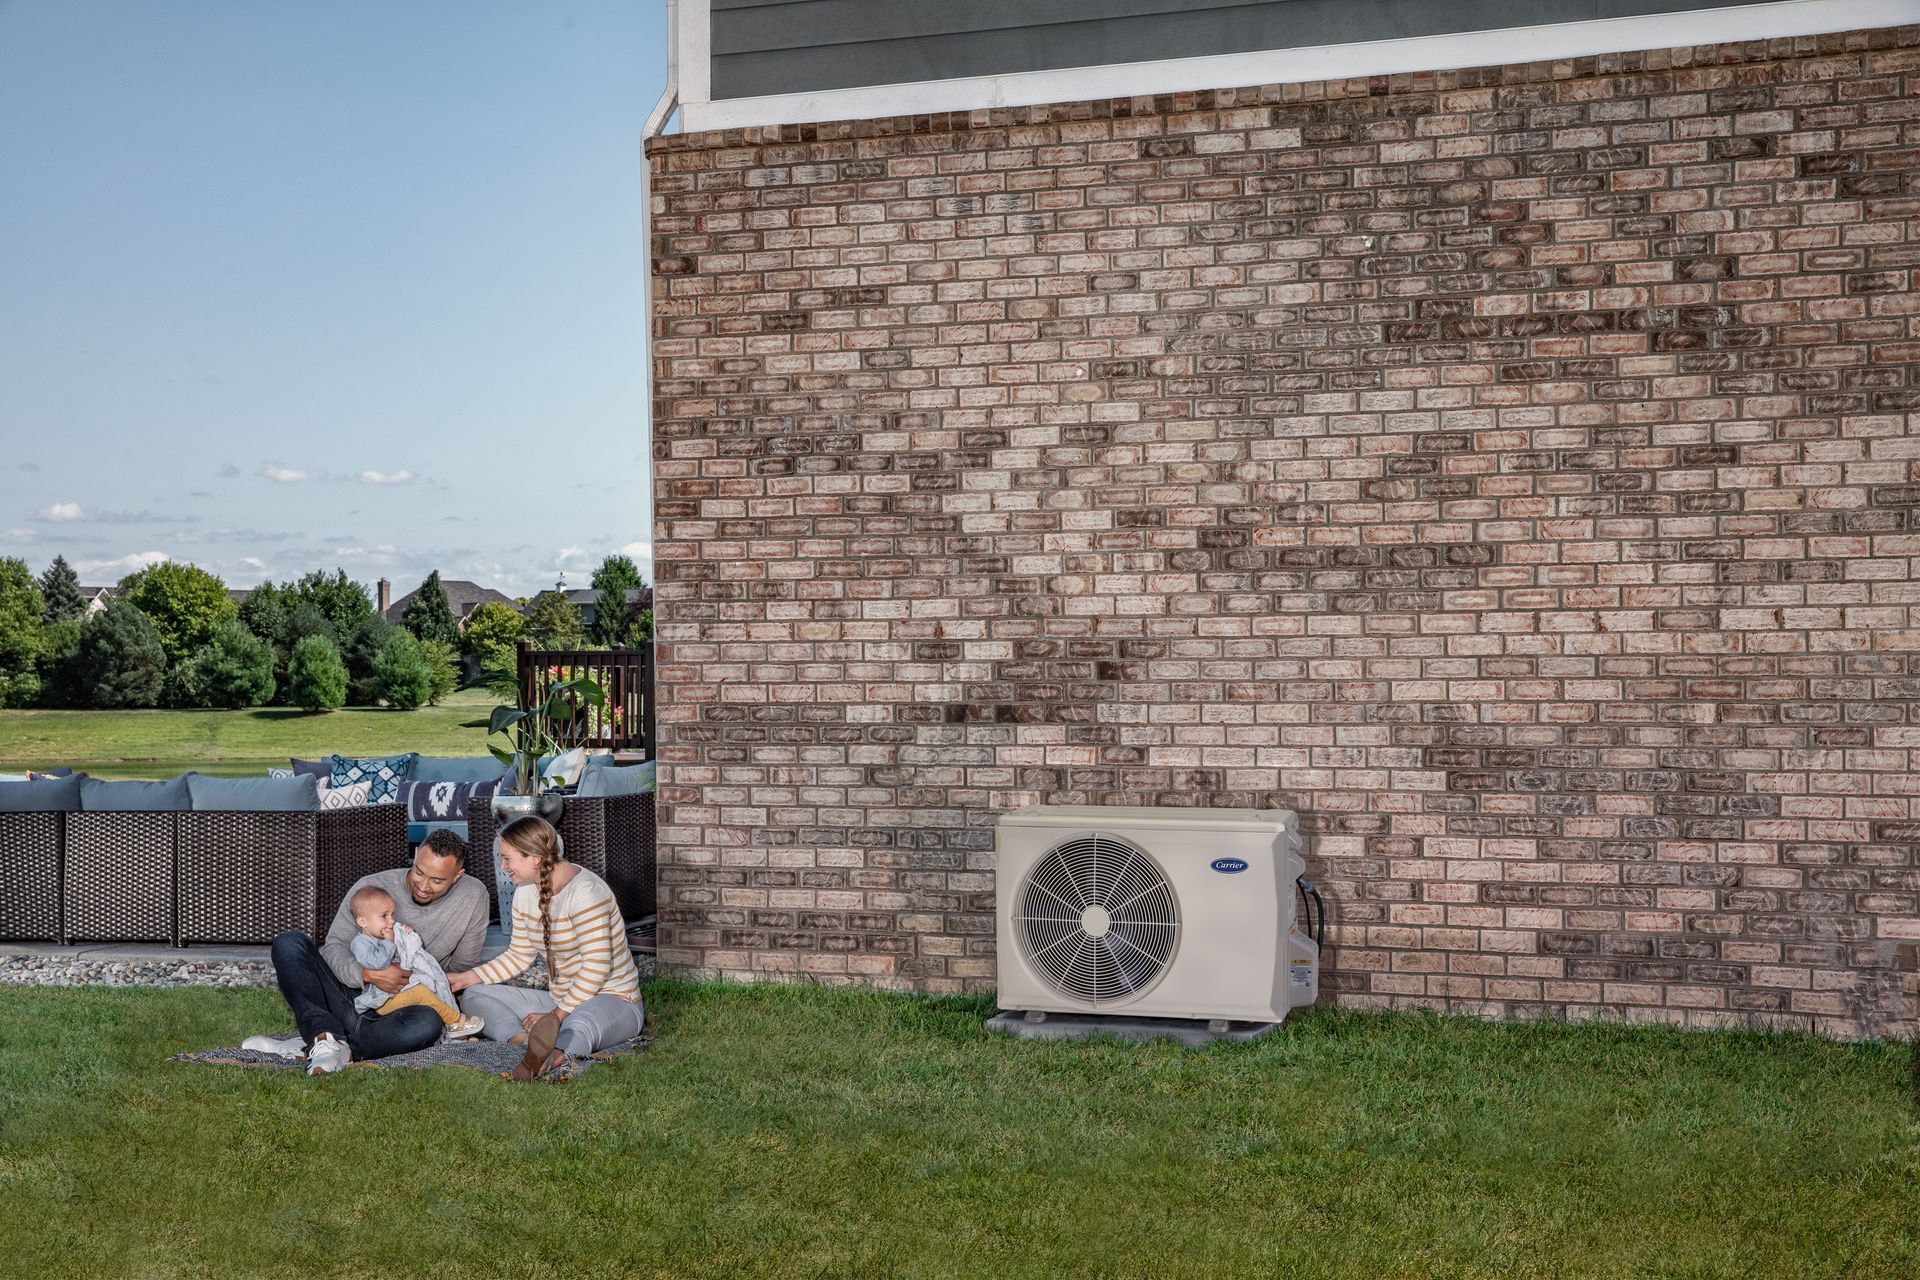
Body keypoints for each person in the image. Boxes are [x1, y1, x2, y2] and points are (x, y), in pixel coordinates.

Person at [246, 829, 490, 1075]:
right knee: (289, 943)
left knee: (428, 1023)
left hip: (401, 1008)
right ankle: (324, 1035)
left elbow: (460, 970)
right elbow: (333, 948)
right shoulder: (372, 887)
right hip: (350, 998)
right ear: (415, 855)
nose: (423, 886)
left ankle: (320, 1043)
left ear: (458, 875)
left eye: (437, 881)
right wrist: (367, 975)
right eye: (419, 872)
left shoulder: (473, 896)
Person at [449, 816, 642, 1081]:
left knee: (579, 1026)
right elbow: (519, 954)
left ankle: (550, 1057)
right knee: (474, 996)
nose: (503, 866)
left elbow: (598, 967)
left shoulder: (586, 892)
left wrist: (557, 1015)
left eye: (507, 858)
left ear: (535, 858)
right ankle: (526, 1042)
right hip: (561, 999)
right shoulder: (526, 893)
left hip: (614, 1000)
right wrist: (465, 978)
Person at [346, 884, 485, 1040]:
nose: (391, 921)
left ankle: (459, 1035)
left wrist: (405, 936)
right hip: (383, 1000)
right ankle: (456, 1021)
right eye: (384, 916)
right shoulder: (361, 943)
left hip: (400, 991)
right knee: (421, 993)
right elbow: (377, 963)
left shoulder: (385, 935)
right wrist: (390, 941)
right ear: (363, 921)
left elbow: (406, 956)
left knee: (436, 988)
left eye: (392, 915)